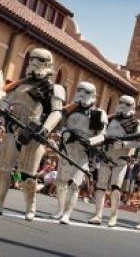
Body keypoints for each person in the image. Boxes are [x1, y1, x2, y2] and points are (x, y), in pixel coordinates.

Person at [0, 48, 65, 221]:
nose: (34, 63)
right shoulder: (21, 83)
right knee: (3, 169)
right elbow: (5, 100)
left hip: (33, 134)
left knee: (27, 175)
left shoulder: (54, 88)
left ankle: (30, 206)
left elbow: (57, 112)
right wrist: (3, 109)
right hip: (13, 130)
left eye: (40, 60)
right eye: (32, 59)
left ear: (48, 64)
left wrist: (45, 129)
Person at [51, 81, 107, 224]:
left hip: (82, 152)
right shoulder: (70, 109)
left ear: (93, 95)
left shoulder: (96, 114)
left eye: (86, 92)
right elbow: (59, 123)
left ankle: (67, 214)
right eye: (79, 90)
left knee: (74, 184)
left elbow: (101, 135)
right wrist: (64, 133)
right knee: (60, 182)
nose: (82, 94)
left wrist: (90, 142)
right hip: (66, 149)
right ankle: (60, 209)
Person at [88, 95, 140, 227]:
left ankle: (113, 215)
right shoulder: (111, 119)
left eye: (127, 104)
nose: (123, 106)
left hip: (121, 158)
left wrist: (124, 144)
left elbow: (138, 142)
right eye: (121, 102)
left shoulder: (137, 123)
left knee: (116, 187)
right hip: (106, 155)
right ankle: (98, 214)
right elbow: (101, 134)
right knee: (101, 185)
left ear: (133, 107)